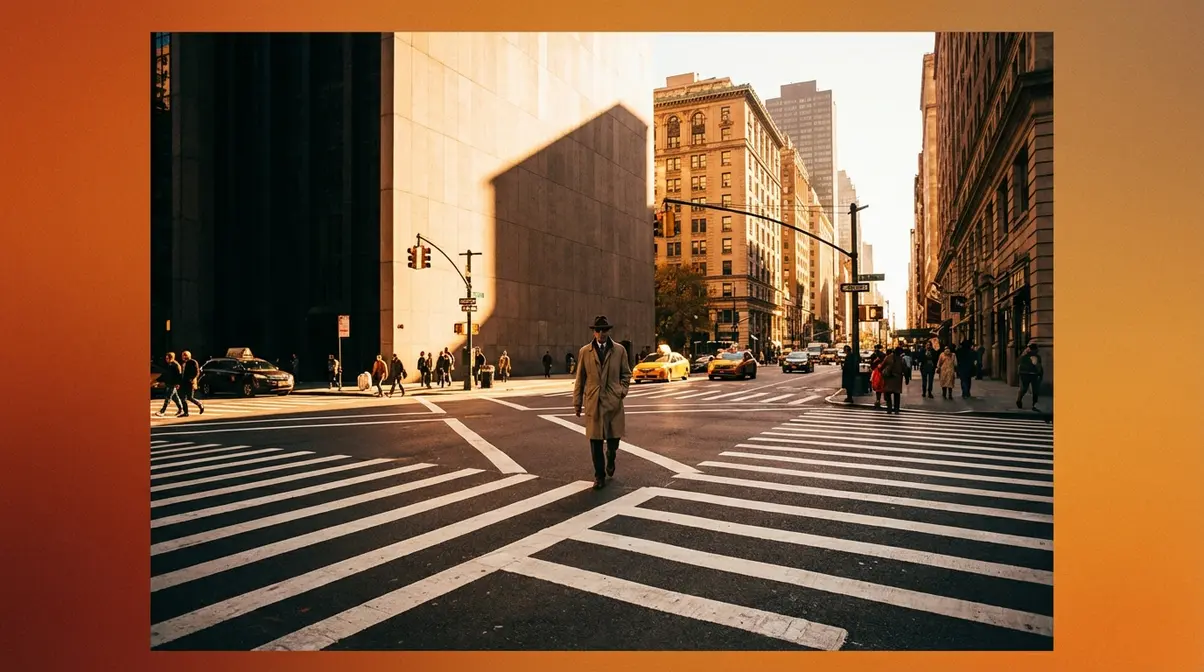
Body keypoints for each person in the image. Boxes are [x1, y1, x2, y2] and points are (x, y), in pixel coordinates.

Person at [573, 315, 632, 490]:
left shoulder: (619, 350)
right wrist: (577, 403)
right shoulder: (585, 352)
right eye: (598, 330)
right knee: (595, 441)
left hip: (613, 402)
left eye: (604, 330)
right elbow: (580, 378)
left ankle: (611, 456)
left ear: (608, 331)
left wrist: (621, 391)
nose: (601, 334)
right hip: (594, 402)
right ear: (594, 332)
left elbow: (626, 374)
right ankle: (599, 476)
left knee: (614, 440)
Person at [154, 352, 184, 418]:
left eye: (167, 358)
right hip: (170, 383)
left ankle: (162, 411)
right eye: (166, 358)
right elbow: (166, 375)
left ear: (171, 358)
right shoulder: (170, 365)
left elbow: (179, 376)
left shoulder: (176, 365)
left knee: (168, 397)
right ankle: (181, 409)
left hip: (173, 384)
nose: (166, 359)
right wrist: (158, 381)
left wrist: (178, 383)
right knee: (175, 398)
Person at [1017, 342, 1045, 411]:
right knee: (1024, 389)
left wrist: (1040, 373)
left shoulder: (1037, 357)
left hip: (1034, 375)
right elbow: (1020, 365)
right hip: (1025, 374)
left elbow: (1039, 367)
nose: (1037, 350)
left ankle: (1034, 404)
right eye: (1036, 349)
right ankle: (1019, 400)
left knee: (1035, 390)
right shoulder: (1024, 356)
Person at [880, 346, 907, 414]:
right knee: (897, 395)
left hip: (889, 378)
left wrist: (883, 373)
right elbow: (905, 369)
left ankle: (889, 409)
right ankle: (896, 409)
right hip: (897, 378)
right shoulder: (901, 359)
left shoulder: (888, 357)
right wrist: (907, 378)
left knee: (888, 394)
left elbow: (882, 366)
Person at [179, 350, 205, 416]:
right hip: (184, 383)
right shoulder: (184, 363)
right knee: (183, 398)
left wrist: (192, 379)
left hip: (189, 383)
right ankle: (186, 412)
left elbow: (197, 372)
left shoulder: (192, 362)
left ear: (188, 356)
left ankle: (200, 404)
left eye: (184, 355)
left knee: (190, 397)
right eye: (182, 355)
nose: (183, 356)